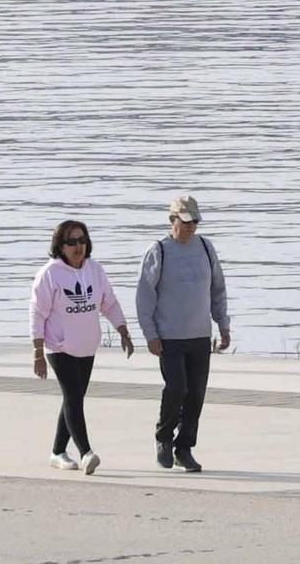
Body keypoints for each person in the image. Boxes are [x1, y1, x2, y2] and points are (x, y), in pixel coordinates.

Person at [134, 193, 230, 473]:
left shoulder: (206, 248)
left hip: (199, 334)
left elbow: (217, 289)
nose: (191, 227)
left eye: (195, 222)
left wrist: (223, 324)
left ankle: (184, 448)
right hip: (169, 337)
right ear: (172, 220)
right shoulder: (159, 251)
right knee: (177, 388)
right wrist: (150, 333)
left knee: (196, 394)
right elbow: (144, 296)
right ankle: (163, 437)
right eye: (186, 221)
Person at [31, 218, 134, 475]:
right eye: (71, 242)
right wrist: (38, 352)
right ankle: (86, 452)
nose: (78, 246)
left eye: (82, 241)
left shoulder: (95, 270)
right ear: (60, 246)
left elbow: (108, 303)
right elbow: (37, 312)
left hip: (87, 347)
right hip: (59, 347)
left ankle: (57, 452)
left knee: (73, 399)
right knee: (74, 398)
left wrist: (123, 330)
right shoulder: (50, 274)